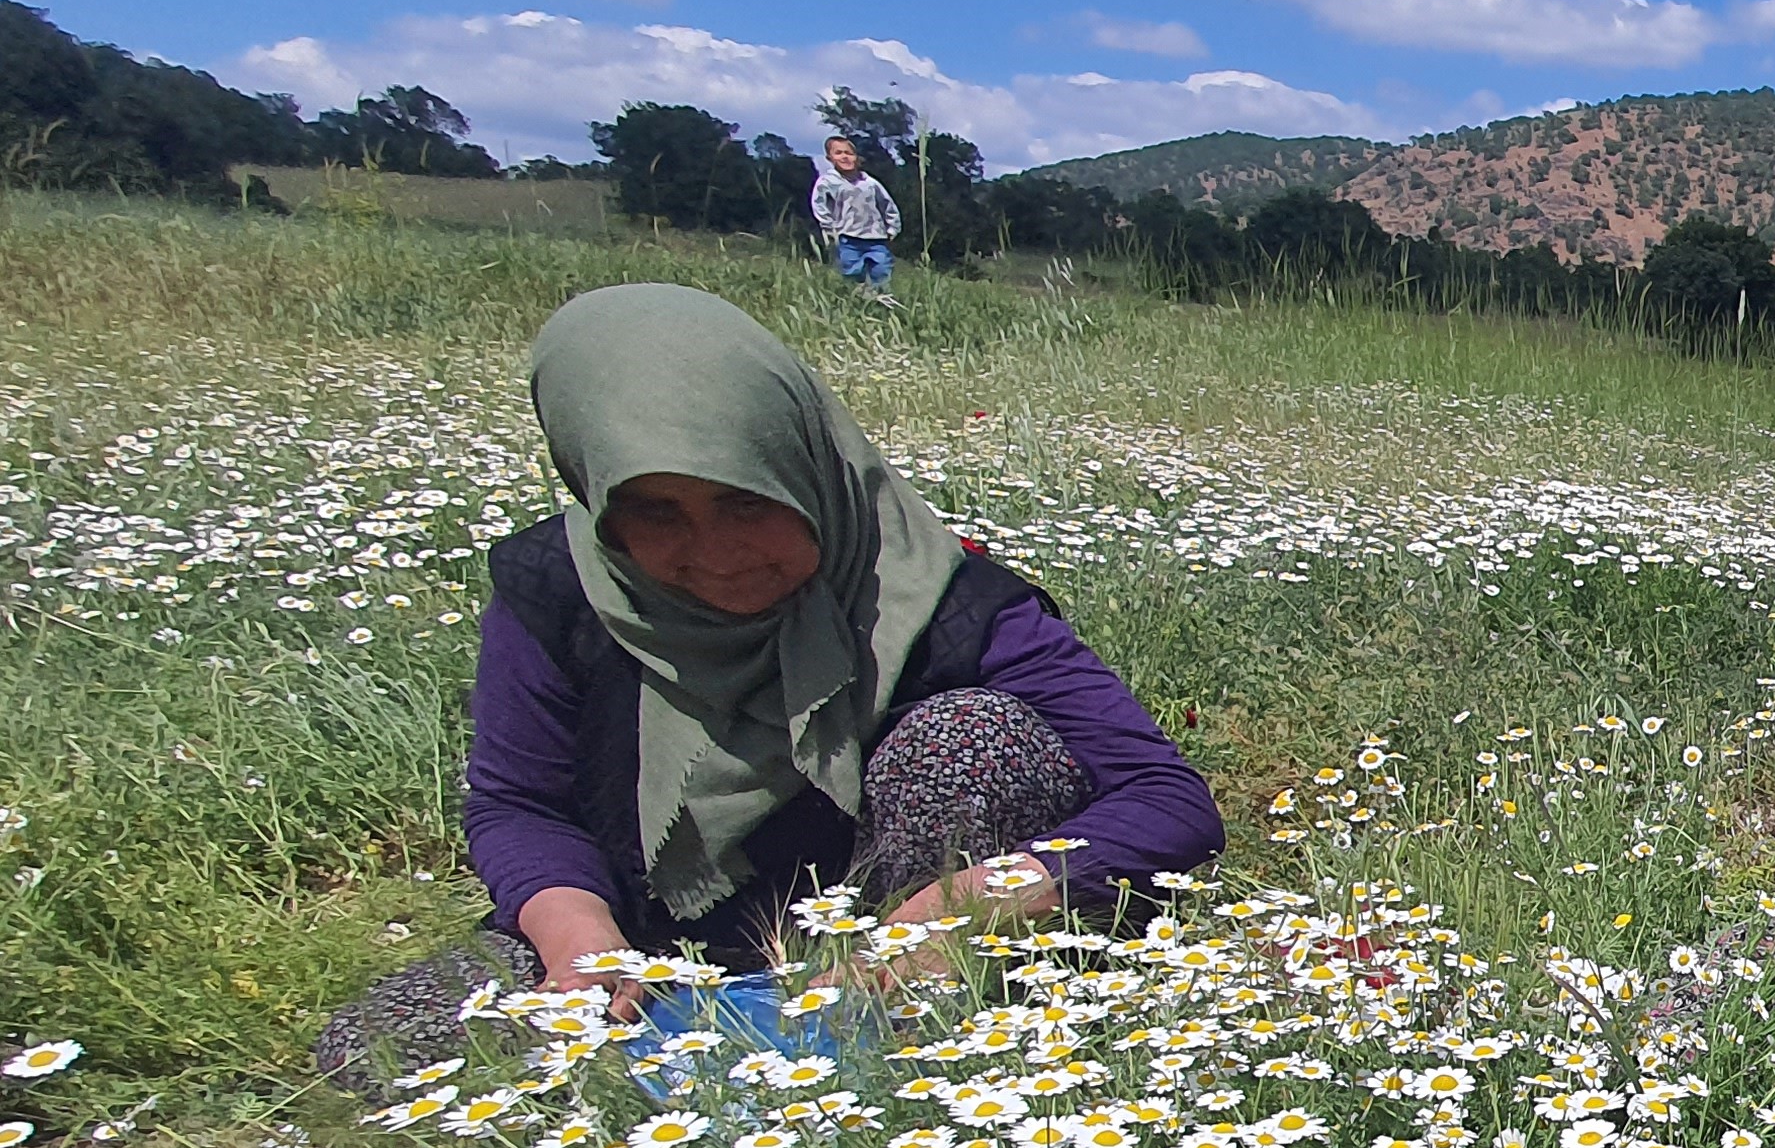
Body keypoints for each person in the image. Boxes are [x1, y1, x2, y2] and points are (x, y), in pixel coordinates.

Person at [314, 282, 1222, 1080]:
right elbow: (519, 806)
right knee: (378, 1049)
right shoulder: (563, 593)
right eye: (655, 513)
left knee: (975, 737)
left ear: (806, 467)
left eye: (749, 501)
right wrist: (579, 944)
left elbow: (1165, 798)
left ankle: (902, 1038)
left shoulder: (935, 596)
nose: (715, 554)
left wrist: (961, 909)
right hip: (648, 933)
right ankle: (662, 1088)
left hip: (885, 931)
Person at [812, 136, 900, 296]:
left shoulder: (870, 183)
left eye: (849, 153)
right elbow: (819, 205)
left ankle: (881, 299)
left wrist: (893, 227)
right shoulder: (827, 182)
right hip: (847, 237)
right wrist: (829, 227)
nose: (845, 157)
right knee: (851, 272)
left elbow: (887, 204)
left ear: (856, 157)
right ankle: (857, 299)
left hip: (875, 237)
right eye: (838, 153)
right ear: (829, 158)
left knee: (881, 270)